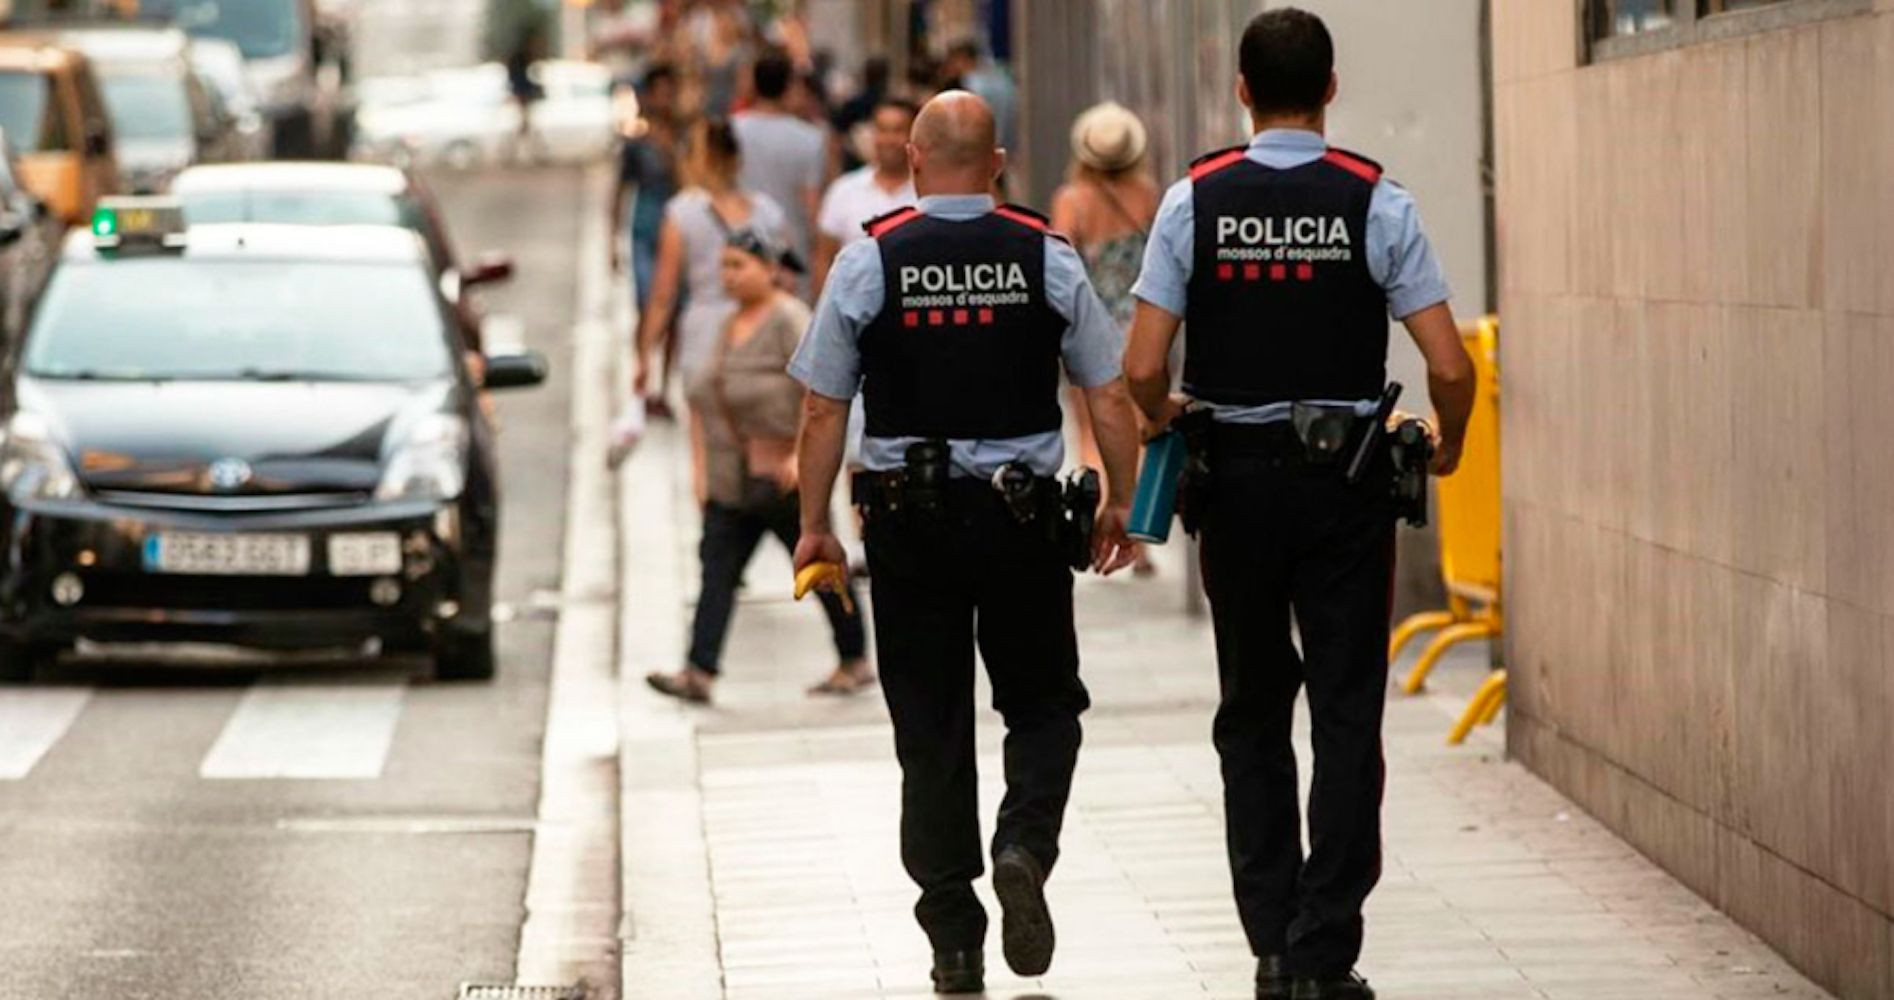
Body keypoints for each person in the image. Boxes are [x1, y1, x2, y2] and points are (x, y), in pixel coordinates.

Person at [1122, 10, 1476, 1000]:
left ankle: (1270, 940)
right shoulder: (1375, 199)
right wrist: (1447, 448)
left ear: (1240, 88)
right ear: (1330, 87)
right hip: (1344, 486)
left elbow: (1141, 365)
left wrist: (1168, 417)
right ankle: (1326, 947)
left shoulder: (1194, 200)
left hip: (1232, 486)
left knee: (1251, 710)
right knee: (1345, 710)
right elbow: (1448, 364)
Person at [788, 91, 1144, 995]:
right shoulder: (1045, 255)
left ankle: (953, 937)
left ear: (911, 159)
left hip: (910, 524)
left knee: (931, 727)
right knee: (1043, 705)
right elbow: (1107, 391)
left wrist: (812, 525)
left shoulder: (870, 258)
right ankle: (1024, 843)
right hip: (1024, 523)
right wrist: (1120, 502)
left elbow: (824, 404)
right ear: (999, 164)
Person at [646, 228, 870, 703]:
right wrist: (702, 470)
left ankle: (854, 658)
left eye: (739, 265)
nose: (729, 276)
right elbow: (704, 400)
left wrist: (799, 456)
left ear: (770, 269)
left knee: (819, 565)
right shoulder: (727, 326)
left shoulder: (790, 319)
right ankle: (699, 670)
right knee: (716, 570)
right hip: (733, 476)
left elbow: (822, 392)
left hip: (781, 476)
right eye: (724, 265)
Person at [634, 117, 789, 501]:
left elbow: (662, 295)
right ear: (737, 159)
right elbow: (786, 280)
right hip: (761, 335)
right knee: (766, 439)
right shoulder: (767, 213)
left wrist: (644, 356)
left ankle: (716, 528)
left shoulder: (682, 213)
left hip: (704, 336)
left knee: (705, 447)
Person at [1049, 100, 1160, 575]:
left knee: (1092, 425)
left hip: (1089, 324)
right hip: (1140, 324)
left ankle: (1101, 519)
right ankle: (1141, 530)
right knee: (1137, 428)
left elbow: (1061, 258)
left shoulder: (1072, 199)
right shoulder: (1149, 194)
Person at [612, 64, 683, 419]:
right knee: (646, 304)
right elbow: (619, 190)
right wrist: (613, 240)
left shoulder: (683, 137)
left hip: (677, 231)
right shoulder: (636, 142)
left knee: (674, 314)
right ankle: (643, 377)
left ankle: (664, 387)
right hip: (644, 228)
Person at [732, 49, 830, 296]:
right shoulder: (811, 139)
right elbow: (812, 207)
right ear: (789, 86)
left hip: (738, 245)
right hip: (790, 253)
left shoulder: (731, 131)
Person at [812, 97, 918, 296]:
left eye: (898, 130)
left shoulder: (927, 194)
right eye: (882, 130)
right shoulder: (843, 190)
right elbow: (823, 258)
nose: (889, 140)